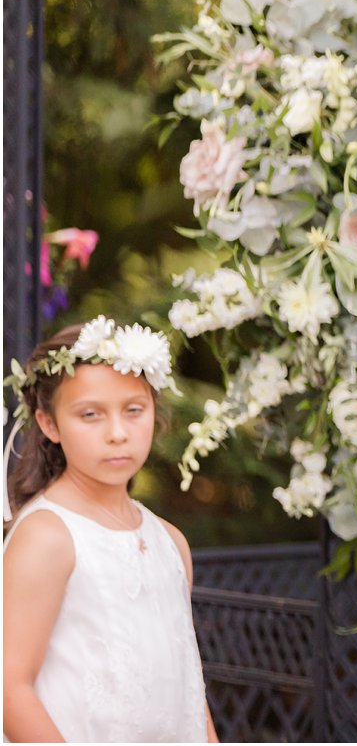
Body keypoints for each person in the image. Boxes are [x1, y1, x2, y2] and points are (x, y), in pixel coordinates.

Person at [2, 317, 217, 743]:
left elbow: (189, 687)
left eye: (134, 410)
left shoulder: (170, 541)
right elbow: (9, 689)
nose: (118, 434)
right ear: (49, 425)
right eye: (90, 415)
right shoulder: (48, 536)